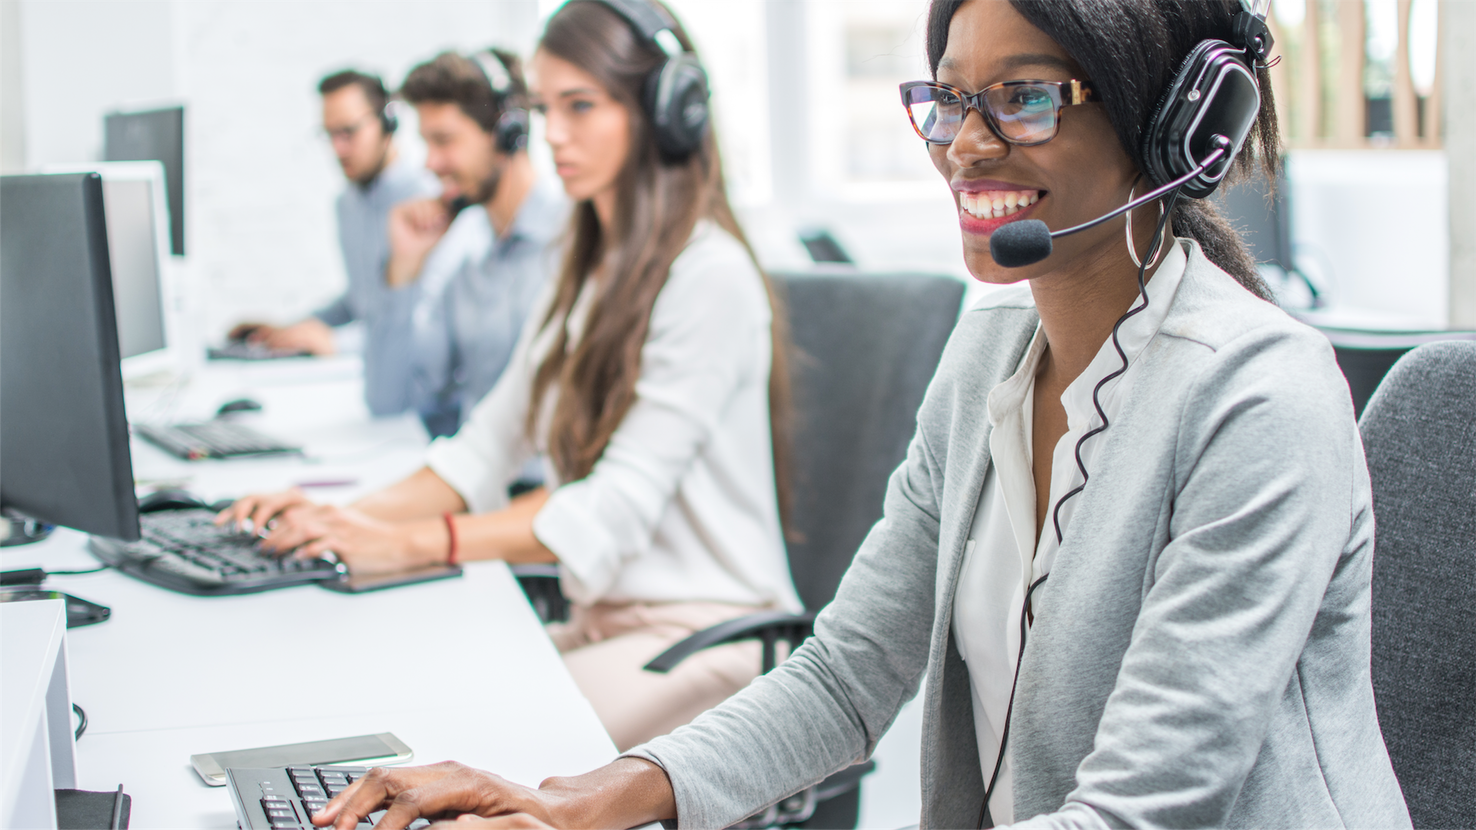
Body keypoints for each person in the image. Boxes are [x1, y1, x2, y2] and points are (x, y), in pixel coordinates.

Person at [307, 1, 1415, 829]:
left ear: (1175, 125)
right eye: (948, 97)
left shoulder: (1260, 397)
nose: (964, 143)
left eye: (1025, 96)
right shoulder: (988, 355)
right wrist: (571, 800)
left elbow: (1137, 808)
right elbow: (845, 676)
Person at [220, 0, 801, 754]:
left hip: (708, 634)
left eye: (580, 106)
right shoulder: (586, 266)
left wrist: (409, 544)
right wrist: (338, 520)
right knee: (393, 710)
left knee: (474, 757)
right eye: (542, 107)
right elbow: (483, 450)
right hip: (605, 621)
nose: (551, 133)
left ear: (668, 112)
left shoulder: (707, 276)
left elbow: (606, 510)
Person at [229, 70, 438, 416]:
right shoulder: (348, 205)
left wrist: (334, 342)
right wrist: (294, 329)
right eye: (329, 135)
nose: (338, 149)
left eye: (348, 132)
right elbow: (361, 300)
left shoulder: (426, 204)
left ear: (388, 123)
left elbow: (420, 321)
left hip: (413, 404)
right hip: (371, 393)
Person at [390, 49, 567, 437]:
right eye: (426, 143)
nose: (430, 163)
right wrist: (406, 268)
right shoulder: (465, 265)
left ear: (507, 134)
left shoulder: (572, 244)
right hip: (480, 486)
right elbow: (402, 401)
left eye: (444, 140)